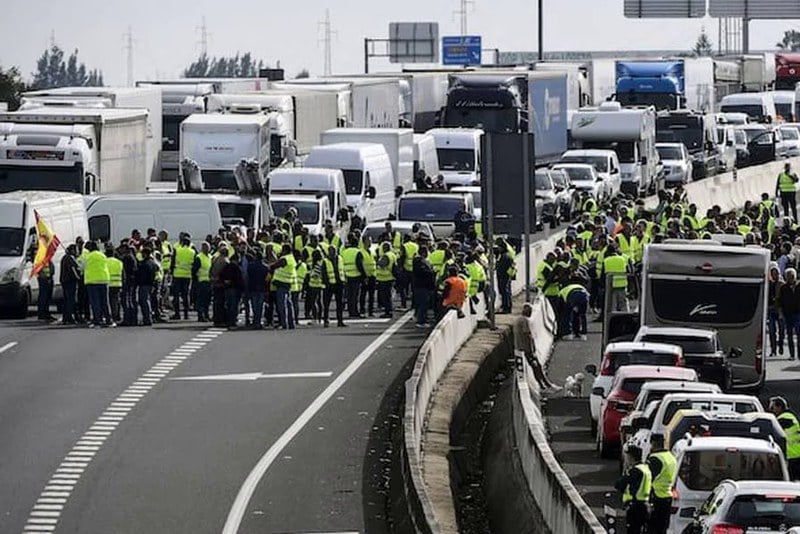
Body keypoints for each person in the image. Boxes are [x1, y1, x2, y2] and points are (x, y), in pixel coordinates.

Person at [516, 303, 562, 392]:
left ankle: (545, 385)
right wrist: (532, 349)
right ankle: (545, 385)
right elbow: (527, 336)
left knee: (537, 367)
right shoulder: (525, 321)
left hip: (520, 348)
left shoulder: (518, 320)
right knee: (537, 367)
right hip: (526, 349)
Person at [615, 445, 651, 534]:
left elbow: (619, 484)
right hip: (646, 505)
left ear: (631, 457)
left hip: (635, 506)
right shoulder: (646, 469)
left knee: (633, 530)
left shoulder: (635, 471)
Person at [647, 434, 677, 534]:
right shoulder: (671, 457)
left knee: (653, 528)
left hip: (656, 496)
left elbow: (647, 478)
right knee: (663, 527)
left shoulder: (655, 458)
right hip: (668, 496)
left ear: (653, 443)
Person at [83, 241, 114, 328]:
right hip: (104, 280)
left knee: (95, 302)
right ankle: (109, 320)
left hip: (92, 281)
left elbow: (81, 267)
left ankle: (97, 321)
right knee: (105, 301)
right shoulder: (102, 255)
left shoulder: (87, 256)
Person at [769, 396, 800, 480]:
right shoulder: (790, 416)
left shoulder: (784, 418)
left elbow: (773, 431)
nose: (772, 410)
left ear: (779, 407)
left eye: (773, 407)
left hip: (791, 455)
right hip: (796, 454)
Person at [271, 244, 297, 330]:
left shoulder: (286, 258)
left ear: (285, 250)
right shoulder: (291, 258)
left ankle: (284, 323)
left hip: (282, 283)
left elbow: (275, 265)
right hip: (287, 283)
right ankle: (291, 323)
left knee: (282, 305)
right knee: (289, 305)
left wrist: (272, 263)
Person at [171, 235, 196, 320]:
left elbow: (172, 262)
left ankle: (177, 314)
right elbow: (194, 264)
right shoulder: (192, 252)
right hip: (187, 275)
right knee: (185, 295)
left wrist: (172, 272)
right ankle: (186, 314)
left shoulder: (177, 250)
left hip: (177, 274)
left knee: (176, 295)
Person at [341, 236, 366, 318]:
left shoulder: (344, 252)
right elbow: (360, 265)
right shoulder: (358, 252)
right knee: (354, 295)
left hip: (346, 275)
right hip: (356, 275)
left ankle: (350, 310)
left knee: (349, 295)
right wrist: (364, 275)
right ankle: (354, 311)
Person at [600, 245, 630, 312]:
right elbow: (629, 271)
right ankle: (625, 320)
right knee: (623, 305)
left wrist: (602, 286)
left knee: (613, 307)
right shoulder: (623, 259)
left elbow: (602, 276)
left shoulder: (606, 261)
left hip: (611, 287)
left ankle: (614, 321)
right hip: (622, 285)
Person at [322, 245, 346, 328]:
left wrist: (344, 280)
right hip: (330, 284)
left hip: (339, 283)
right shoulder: (325, 261)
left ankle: (340, 321)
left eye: (334, 251)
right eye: (332, 251)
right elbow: (324, 274)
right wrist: (326, 283)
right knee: (326, 304)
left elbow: (343, 269)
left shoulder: (340, 259)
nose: (334, 253)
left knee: (340, 303)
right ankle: (326, 320)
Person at [779, 268, 800, 360]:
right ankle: (792, 355)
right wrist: (781, 313)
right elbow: (781, 301)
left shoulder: (799, 286)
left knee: (799, 334)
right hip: (788, 314)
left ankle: (799, 354)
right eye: (788, 277)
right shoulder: (784, 288)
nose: (790, 278)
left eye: (791, 276)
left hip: (798, 313)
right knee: (789, 335)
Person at [412, 246, 435, 328]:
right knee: (423, 303)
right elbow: (421, 272)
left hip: (424, 285)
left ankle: (422, 318)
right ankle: (421, 321)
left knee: (423, 303)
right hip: (421, 285)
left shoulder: (423, 261)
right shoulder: (418, 261)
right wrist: (431, 272)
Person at [220, 252, 245, 329]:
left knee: (228, 305)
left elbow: (221, 276)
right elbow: (240, 279)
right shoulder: (237, 268)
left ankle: (228, 320)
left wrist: (225, 282)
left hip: (228, 289)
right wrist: (242, 290)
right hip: (235, 289)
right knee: (234, 306)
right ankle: (232, 321)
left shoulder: (226, 267)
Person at [247, 249, 269, 329]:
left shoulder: (250, 266)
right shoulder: (265, 267)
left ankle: (255, 321)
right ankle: (258, 322)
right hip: (262, 288)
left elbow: (248, 276)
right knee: (260, 306)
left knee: (254, 305)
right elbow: (267, 279)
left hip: (252, 287)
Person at [136, 247, 159, 326]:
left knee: (144, 301)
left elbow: (143, 275)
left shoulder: (146, 264)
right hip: (150, 284)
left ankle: (147, 319)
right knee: (146, 301)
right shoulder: (152, 262)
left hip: (145, 284)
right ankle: (148, 318)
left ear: (145, 254)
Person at [375, 241, 396, 318]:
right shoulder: (392, 255)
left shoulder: (386, 256)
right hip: (389, 277)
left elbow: (382, 264)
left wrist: (377, 261)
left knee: (386, 297)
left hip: (385, 278)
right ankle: (388, 310)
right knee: (388, 296)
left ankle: (388, 311)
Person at [60, 244, 80, 325]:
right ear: (72, 250)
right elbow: (72, 270)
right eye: (76, 250)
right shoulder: (69, 259)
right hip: (69, 282)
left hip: (65, 281)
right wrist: (78, 277)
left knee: (66, 300)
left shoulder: (65, 258)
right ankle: (69, 317)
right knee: (70, 300)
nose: (77, 252)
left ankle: (65, 317)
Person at [768, 263, 785, 357]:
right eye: (773, 273)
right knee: (771, 330)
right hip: (771, 309)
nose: (774, 275)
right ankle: (773, 349)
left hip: (779, 309)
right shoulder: (769, 284)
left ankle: (781, 344)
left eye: (776, 273)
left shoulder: (781, 284)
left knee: (781, 330)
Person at [193, 242, 213, 322]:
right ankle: (201, 316)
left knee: (207, 300)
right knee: (201, 300)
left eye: (208, 247)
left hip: (209, 281)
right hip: (201, 281)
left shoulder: (210, 257)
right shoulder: (199, 257)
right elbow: (194, 270)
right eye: (205, 247)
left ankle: (206, 314)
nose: (207, 249)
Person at [210, 244, 229, 327]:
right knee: (222, 303)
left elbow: (211, 269)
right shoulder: (225, 261)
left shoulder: (215, 259)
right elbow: (225, 273)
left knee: (216, 302)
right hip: (221, 283)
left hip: (215, 282)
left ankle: (216, 319)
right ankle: (221, 320)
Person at [306, 249, 326, 324]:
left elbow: (315, 274)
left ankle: (315, 318)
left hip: (314, 284)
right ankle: (319, 318)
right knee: (319, 302)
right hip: (319, 284)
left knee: (314, 302)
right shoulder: (321, 263)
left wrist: (310, 273)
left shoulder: (317, 264)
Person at [106, 244, 123, 324]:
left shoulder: (105, 262)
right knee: (116, 301)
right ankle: (116, 315)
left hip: (108, 284)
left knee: (108, 302)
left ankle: (110, 316)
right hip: (118, 284)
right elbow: (123, 274)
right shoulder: (119, 262)